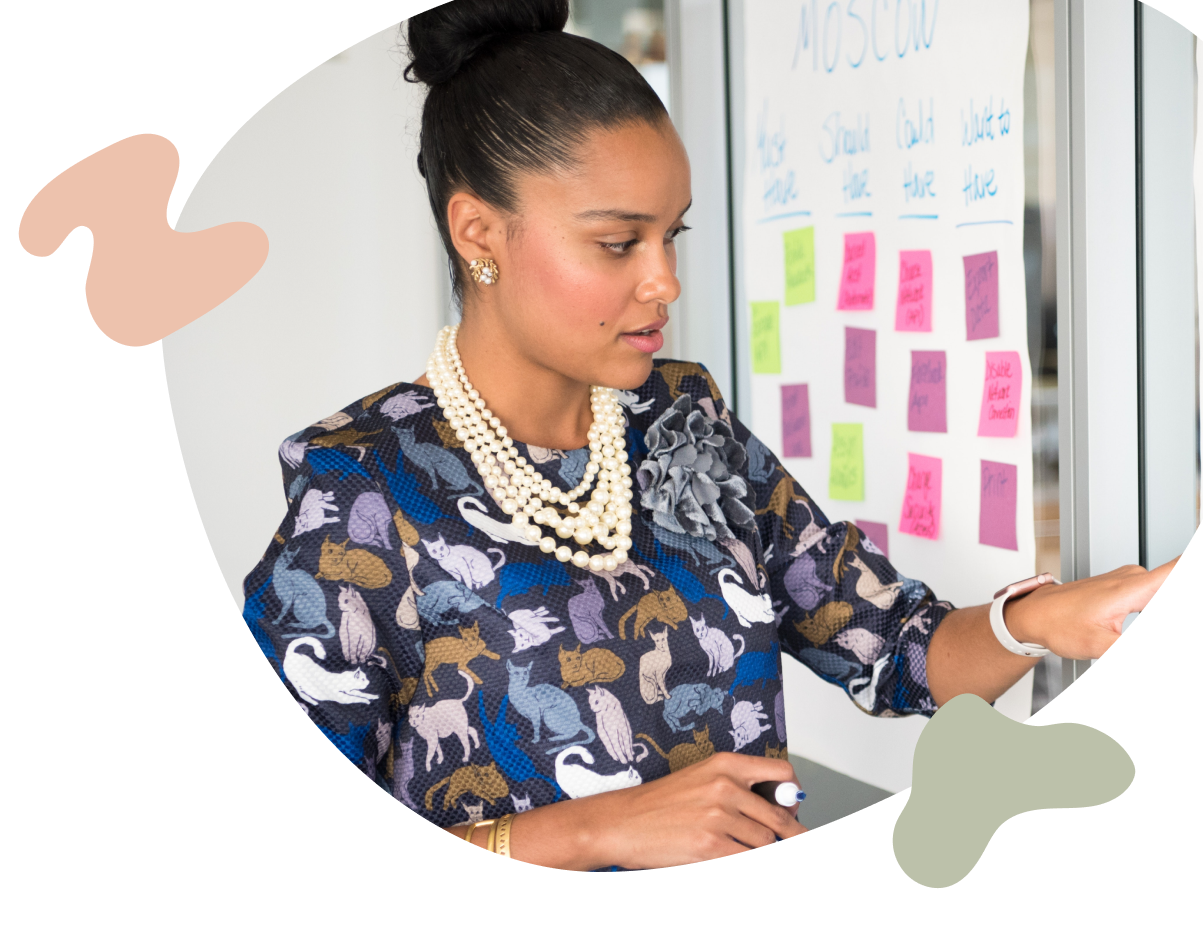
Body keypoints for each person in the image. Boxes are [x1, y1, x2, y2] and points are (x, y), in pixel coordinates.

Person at [241, 0, 1178, 871]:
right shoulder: (360, 486)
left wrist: (1049, 620)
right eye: (618, 242)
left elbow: (894, 647)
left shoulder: (685, 424)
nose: (665, 282)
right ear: (479, 232)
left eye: (672, 236)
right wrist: (593, 827)